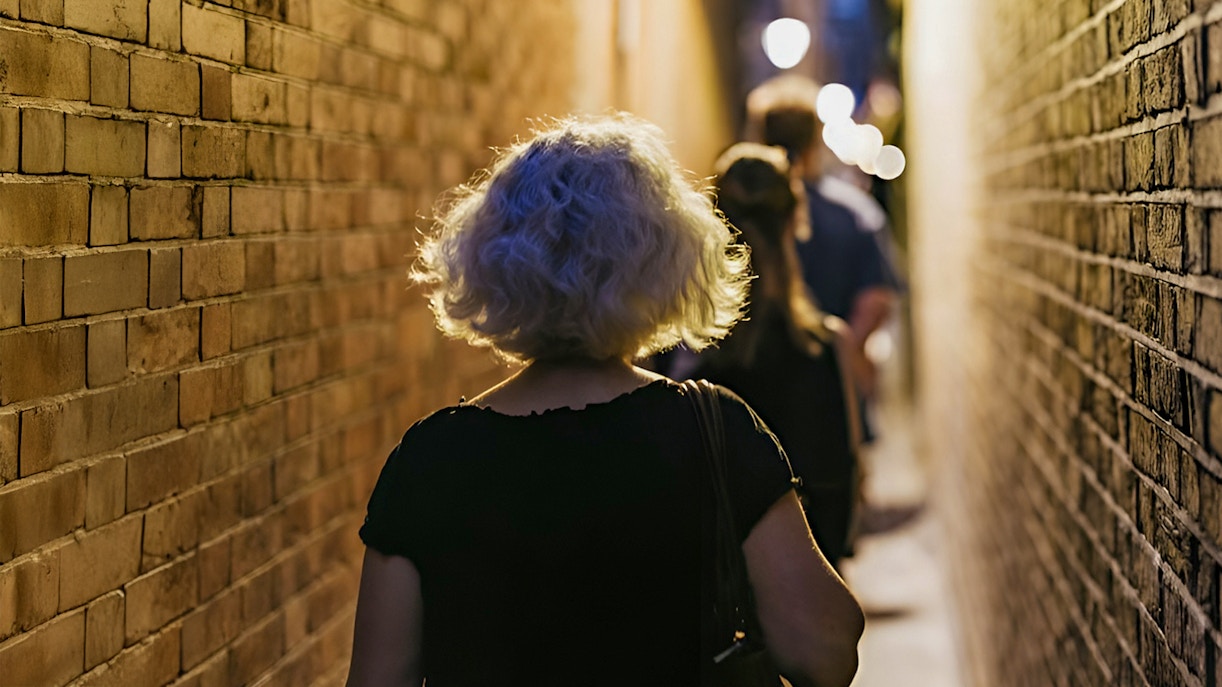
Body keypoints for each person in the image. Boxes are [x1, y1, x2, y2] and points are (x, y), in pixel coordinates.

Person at [346, 114, 864, 687]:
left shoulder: (429, 461)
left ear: (490, 258)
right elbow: (825, 652)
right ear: (664, 257)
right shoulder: (714, 430)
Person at [693, 143, 862, 568]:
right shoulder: (825, 346)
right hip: (810, 580)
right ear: (793, 220)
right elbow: (846, 487)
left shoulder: (687, 357)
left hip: (715, 592)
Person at [745, 74, 903, 409]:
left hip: (752, 392)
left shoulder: (738, 213)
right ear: (815, 138)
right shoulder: (856, 214)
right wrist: (843, 358)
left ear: (759, 137)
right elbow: (876, 300)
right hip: (834, 397)